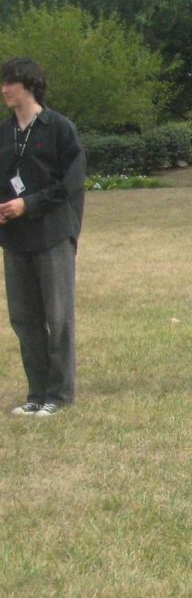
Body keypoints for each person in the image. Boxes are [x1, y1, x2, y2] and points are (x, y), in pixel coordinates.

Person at [0, 57, 85, 417]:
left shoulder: (59, 128)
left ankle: (59, 395)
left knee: (58, 316)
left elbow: (71, 183)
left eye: (10, 82)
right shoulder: (4, 132)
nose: (4, 89)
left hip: (52, 236)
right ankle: (36, 393)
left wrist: (28, 204)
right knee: (25, 319)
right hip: (16, 240)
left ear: (29, 85)